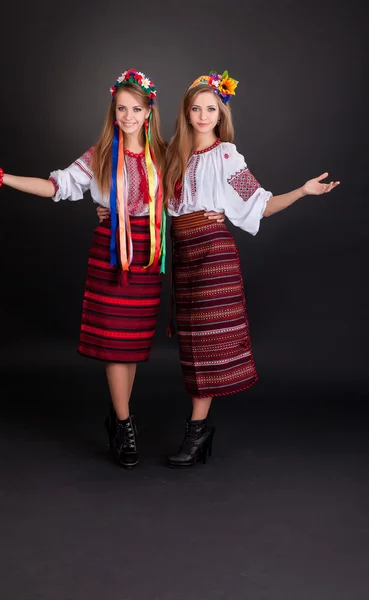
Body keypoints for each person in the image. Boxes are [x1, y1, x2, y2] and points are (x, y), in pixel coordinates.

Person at [0, 69, 167, 469]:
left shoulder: (164, 154)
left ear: (148, 113)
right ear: (114, 112)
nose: (127, 116)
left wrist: (214, 212)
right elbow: (56, 186)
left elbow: (188, 187)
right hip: (111, 252)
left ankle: (118, 417)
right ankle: (125, 424)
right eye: (121, 108)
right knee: (113, 341)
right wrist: (0, 176)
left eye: (135, 109)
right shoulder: (100, 155)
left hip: (146, 252)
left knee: (132, 344)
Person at [161, 69, 340, 467]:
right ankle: (200, 432)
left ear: (221, 115)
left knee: (206, 344)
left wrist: (302, 192)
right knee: (191, 344)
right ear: (186, 113)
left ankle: (195, 432)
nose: (204, 115)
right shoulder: (173, 153)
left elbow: (259, 203)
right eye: (197, 108)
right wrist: (110, 208)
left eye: (212, 108)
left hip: (212, 255)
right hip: (184, 254)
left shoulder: (226, 156)